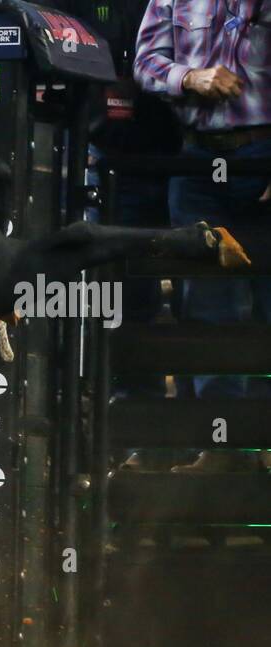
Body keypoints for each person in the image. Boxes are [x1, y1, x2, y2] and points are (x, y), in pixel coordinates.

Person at [135, 0, 271, 472]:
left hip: (263, 153)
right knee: (205, 304)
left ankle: (261, 446)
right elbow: (146, 62)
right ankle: (225, 451)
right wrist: (191, 78)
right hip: (197, 162)